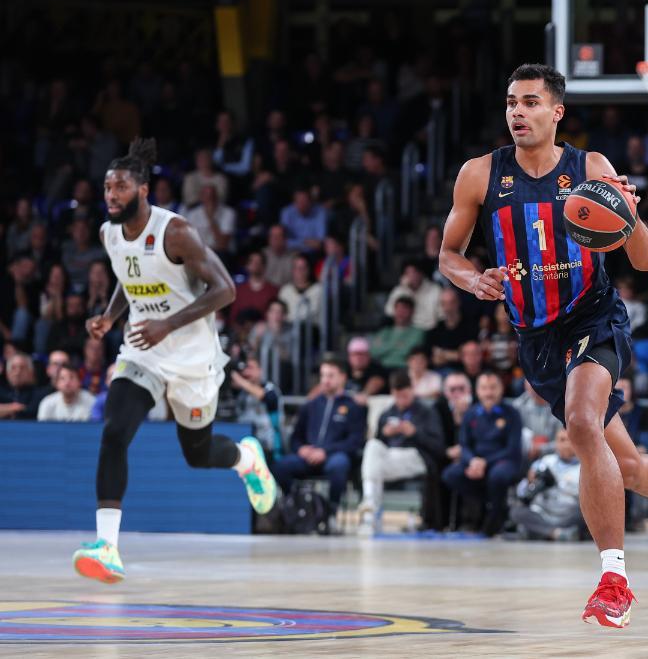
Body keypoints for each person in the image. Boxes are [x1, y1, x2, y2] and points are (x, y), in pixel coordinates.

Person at [439, 63, 648, 628]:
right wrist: (471, 278)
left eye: (529, 102)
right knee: (624, 467)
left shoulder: (591, 169)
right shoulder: (479, 174)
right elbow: (448, 253)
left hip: (593, 316)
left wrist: (632, 215)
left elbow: (644, 261)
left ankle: (614, 579)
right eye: (510, 103)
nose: (517, 112)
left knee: (580, 421)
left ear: (556, 112)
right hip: (535, 337)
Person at [73, 139, 276, 585]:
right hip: (143, 350)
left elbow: (226, 290)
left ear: (143, 190)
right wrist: (110, 316)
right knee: (114, 432)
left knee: (198, 455)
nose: (111, 195)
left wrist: (168, 324)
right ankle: (107, 547)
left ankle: (246, 459)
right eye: (107, 188)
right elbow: (131, 278)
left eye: (121, 187)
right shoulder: (110, 234)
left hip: (192, 357)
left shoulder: (176, 232)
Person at [269, 358, 365, 508]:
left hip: (333, 456)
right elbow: (295, 437)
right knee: (280, 466)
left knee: (339, 464)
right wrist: (301, 449)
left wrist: (325, 452)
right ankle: (297, 505)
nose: (325, 380)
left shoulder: (353, 407)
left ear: (343, 377)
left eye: (330, 376)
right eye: (323, 375)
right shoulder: (310, 405)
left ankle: (331, 511)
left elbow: (355, 441)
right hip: (308, 457)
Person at [357, 371, 445, 536]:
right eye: (397, 396)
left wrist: (415, 433)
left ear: (412, 390)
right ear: (392, 394)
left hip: (416, 457)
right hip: (389, 459)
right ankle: (369, 503)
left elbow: (438, 447)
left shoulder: (426, 412)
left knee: (374, 469)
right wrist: (385, 434)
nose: (401, 401)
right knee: (372, 445)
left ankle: (370, 511)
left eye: (405, 396)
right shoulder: (387, 413)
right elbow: (378, 443)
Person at [440, 371, 522, 536]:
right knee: (450, 475)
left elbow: (512, 448)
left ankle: (494, 521)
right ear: (477, 391)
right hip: (476, 461)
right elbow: (464, 444)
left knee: (497, 476)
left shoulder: (512, 413)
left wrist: (484, 462)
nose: (489, 393)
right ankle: (486, 505)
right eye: (484, 388)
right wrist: (472, 461)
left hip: (503, 460)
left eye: (493, 388)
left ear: (501, 389)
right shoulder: (471, 414)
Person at [510, 428, 585, 541]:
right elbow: (523, 493)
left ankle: (540, 532)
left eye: (569, 440)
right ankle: (556, 533)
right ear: (556, 443)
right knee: (517, 511)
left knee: (588, 512)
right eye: (561, 440)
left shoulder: (584, 466)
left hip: (568, 514)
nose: (565, 444)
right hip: (543, 513)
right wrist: (530, 482)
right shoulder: (545, 462)